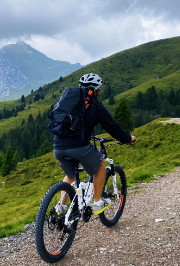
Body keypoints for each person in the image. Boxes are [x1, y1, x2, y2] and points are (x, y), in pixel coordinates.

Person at [54, 73, 136, 214]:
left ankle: (61, 208)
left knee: (71, 174)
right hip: (79, 147)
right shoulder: (95, 106)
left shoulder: (67, 102)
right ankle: (98, 203)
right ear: (97, 90)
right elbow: (112, 126)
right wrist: (127, 138)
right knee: (100, 164)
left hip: (58, 147)